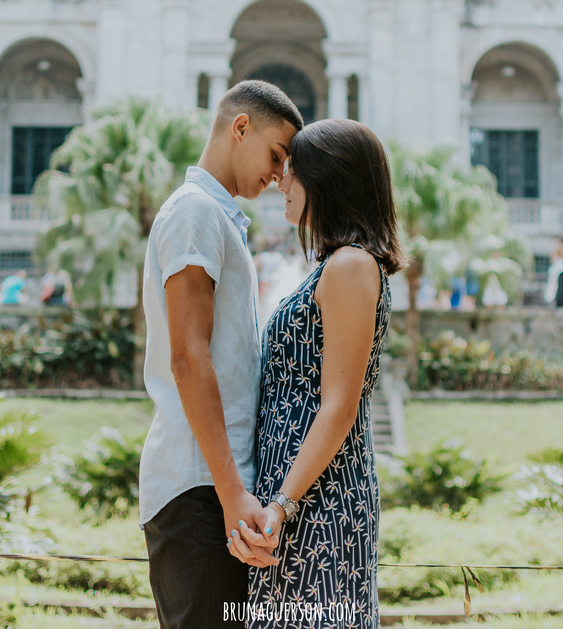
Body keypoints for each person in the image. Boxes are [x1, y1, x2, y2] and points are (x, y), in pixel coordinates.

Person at [227, 119, 405, 629]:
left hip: (319, 498)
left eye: (293, 171)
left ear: (328, 179)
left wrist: (282, 503)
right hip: (298, 496)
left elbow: (339, 404)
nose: (280, 181)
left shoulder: (350, 265)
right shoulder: (335, 264)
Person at [139, 80, 301, 629]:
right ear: (240, 128)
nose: (279, 175)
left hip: (213, 487)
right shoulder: (195, 213)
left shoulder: (217, 216)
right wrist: (232, 494)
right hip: (199, 489)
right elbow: (188, 357)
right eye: (276, 155)